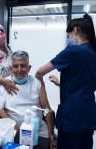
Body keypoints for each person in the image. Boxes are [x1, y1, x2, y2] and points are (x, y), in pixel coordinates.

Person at [35, 13, 96, 149]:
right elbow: (87, 82)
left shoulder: (73, 51)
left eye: (69, 35)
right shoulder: (93, 52)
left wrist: (37, 77)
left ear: (75, 30)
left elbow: (41, 71)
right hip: (88, 113)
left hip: (72, 115)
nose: (69, 38)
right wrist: (61, 84)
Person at [0, 51, 56, 148]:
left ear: (29, 68)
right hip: (13, 130)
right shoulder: (5, 84)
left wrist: (51, 136)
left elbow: (47, 109)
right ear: (11, 68)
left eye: (23, 66)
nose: (19, 69)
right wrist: (13, 124)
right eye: (15, 66)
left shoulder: (37, 83)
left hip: (37, 129)